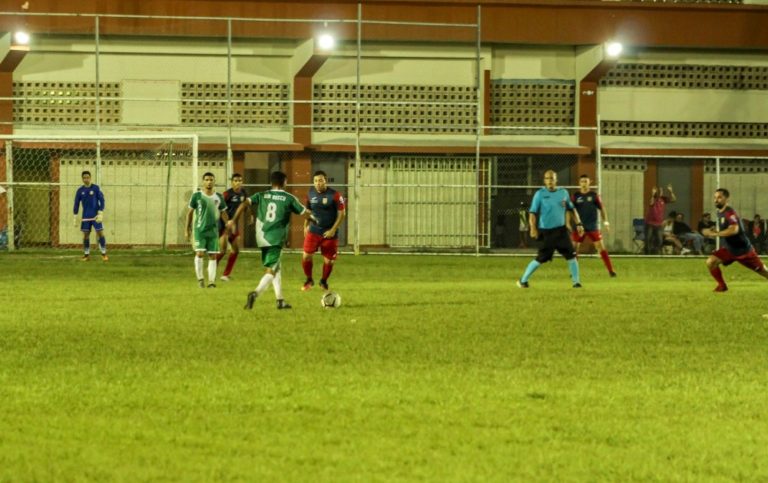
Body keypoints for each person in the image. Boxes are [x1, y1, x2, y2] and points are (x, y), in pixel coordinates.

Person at [229, 171, 316, 310]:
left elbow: (245, 203)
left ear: (271, 182)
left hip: (261, 237)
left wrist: (234, 220)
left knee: (276, 268)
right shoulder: (288, 198)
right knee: (271, 270)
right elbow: (305, 213)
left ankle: (280, 300)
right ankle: (255, 293)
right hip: (275, 238)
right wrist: (315, 219)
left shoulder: (261, 195)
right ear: (285, 182)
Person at [517, 170, 584, 289]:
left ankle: (576, 282)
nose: (550, 181)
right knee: (541, 258)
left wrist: (579, 224)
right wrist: (533, 228)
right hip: (547, 232)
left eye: (552, 178)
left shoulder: (563, 192)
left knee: (571, 255)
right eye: (547, 178)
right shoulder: (540, 194)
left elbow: (572, 209)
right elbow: (532, 213)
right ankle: (523, 280)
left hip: (561, 231)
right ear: (544, 180)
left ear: (556, 180)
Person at [701, 188, 768, 292]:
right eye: (715, 197)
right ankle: (722, 286)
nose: (716, 200)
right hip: (730, 249)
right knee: (711, 262)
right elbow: (726, 228)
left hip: (744, 251)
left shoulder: (729, 213)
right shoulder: (719, 212)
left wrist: (715, 234)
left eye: (719, 197)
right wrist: (714, 230)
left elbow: (734, 230)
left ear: (726, 199)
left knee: (763, 271)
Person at [301, 170, 346, 292]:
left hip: (329, 233)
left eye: (320, 180)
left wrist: (333, 230)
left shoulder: (335, 195)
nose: (318, 183)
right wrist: (306, 225)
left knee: (329, 261)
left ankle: (323, 281)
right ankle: (309, 280)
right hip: (314, 231)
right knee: (306, 256)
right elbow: (308, 211)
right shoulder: (310, 193)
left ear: (325, 180)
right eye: (315, 181)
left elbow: (342, 214)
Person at [185, 172, 228, 289]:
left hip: (213, 231)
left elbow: (223, 212)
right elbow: (189, 213)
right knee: (199, 253)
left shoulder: (219, 197)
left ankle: (212, 282)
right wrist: (187, 229)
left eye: (211, 180)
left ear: (214, 182)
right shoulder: (197, 196)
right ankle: (200, 279)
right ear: (203, 181)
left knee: (213, 255)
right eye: (207, 180)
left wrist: (228, 224)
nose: (209, 182)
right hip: (199, 230)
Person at [570, 174, 616, 277]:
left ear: (589, 182)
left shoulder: (594, 196)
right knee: (574, 249)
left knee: (601, 248)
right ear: (579, 183)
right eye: (582, 182)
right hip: (579, 227)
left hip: (592, 226)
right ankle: (573, 272)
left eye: (586, 181)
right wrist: (569, 223)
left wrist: (606, 222)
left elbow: (602, 209)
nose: (584, 184)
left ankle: (611, 270)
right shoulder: (575, 196)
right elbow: (570, 211)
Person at [216, 173, 253, 282]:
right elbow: (220, 210)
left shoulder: (243, 193)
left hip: (234, 225)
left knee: (235, 250)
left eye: (240, 180)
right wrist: (227, 223)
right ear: (232, 182)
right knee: (222, 251)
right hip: (223, 225)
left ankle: (225, 275)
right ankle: (212, 269)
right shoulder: (227, 194)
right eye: (236, 180)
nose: (238, 183)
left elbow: (246, 205)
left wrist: (250, 215)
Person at [73, 170, 108, 261]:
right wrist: (75, 216)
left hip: (96, 216)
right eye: (84, 178)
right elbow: (76, 203)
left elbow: (102, 200)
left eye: (87, 177)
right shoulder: (80, 191)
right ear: (82, 179)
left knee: (100, 233)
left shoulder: (96, 188)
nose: (86, 179)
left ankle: (104, 254)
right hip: (86, 217)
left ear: (90, 178)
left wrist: (100, 212)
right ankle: (86, 255)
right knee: (85, 235)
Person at [644, 184, 676, 254]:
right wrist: (652, 195)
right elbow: (651, 203)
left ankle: (655, 253)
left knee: (659, 240)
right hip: (650, 223)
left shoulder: (663, 199)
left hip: (659, 224)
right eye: (659, 191)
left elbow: (673, 199)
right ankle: (647, 254)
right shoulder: (653, 199)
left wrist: (671, 192)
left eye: (661, 191)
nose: (661, 192)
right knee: (648, 239)